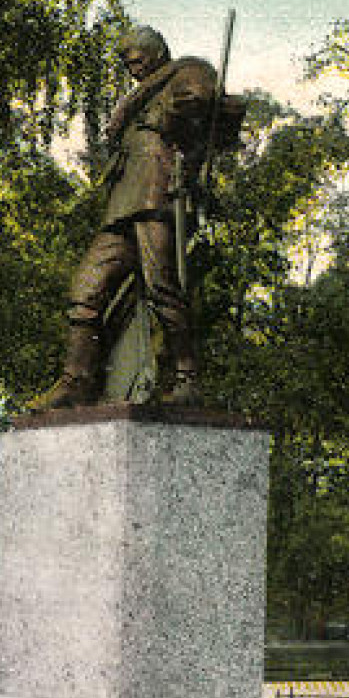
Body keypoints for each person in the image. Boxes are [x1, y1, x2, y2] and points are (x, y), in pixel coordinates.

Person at [33, 24, 239, 410]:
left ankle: (186, 376)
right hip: (121, 204)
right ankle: (75, 380)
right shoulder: (135, 101)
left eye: (137, 60)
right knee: (86, 288)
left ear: (156, 52)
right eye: (128, 64)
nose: (133, 70)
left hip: (157, 194)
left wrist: (172, 114)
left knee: (161, 284)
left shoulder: (185, 70)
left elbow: (202, 98)